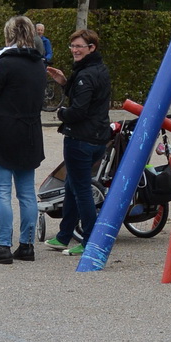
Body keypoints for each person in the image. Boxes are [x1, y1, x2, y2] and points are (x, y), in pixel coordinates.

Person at [0, 15, 47, 264]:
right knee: (26, 193)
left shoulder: (5, 63)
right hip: (30, 131)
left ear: (9, 35)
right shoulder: (39, 64)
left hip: (4, 131)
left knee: (2, 192)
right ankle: (26, 245)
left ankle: (3, 245)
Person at [45, 28, 112, 256]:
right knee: (72, 186)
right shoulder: (99, 69)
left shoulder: (85, 75)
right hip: (97, 139)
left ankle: (90, 241)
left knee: (81, 190)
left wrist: (61, 113)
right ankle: (64, 236)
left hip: (81, 139)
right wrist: (65, 83)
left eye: (79, 46)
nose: (75, 50)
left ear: (91, 48)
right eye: (72, 46)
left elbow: (78, 111)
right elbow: (90, 100)